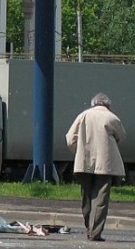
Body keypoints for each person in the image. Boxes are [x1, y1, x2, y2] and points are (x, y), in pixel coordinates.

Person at [65, 92, 126, 242]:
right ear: (108, 105)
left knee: (86, 197)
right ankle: (95, 232)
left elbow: (70, 138)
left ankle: (88, 226)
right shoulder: (112, 117)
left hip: (84, 162)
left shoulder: (83, 116)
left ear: (93, 103)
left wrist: (79, 152)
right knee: (100, 198)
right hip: (105, 164)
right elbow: (122, 136)